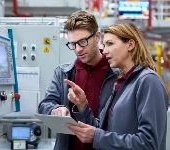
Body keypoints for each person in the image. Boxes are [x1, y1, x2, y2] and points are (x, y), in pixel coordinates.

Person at [65, 22, 169, 150]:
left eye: (110, 44)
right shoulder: (120, 83)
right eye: (104, 45)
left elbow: (149, 143)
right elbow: (102, 129)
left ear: (130, 45)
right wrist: (82, 105)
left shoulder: (148, 81)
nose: (105, 51)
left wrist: (98, 137)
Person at [38, 10, 118, 150]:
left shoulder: (116, 75)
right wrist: (56, 109)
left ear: (97, 36)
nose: (78, 49)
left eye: (82, 42)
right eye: (73, 44)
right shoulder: (63, 73)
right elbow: (45, 104)